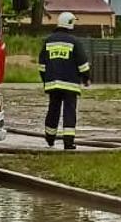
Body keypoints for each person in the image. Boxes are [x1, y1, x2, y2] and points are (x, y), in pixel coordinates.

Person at [38, 12, 91, 150]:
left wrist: (46, 81)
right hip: (70, 84)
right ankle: (68, 142)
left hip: (52, 84)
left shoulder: (48, 41)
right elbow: (83, 64)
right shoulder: (74, 42)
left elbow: (42, 65)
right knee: (69, 112)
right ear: (70, 23)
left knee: (53, 110)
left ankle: (50, 138)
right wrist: (86, 78)